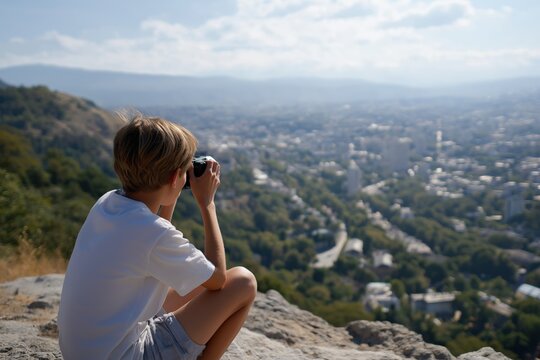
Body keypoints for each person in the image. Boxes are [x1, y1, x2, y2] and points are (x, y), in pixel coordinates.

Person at [58, 114, 257, 360]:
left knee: (189, 280)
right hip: (125, 355)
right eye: (184, 171)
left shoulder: (107, 203)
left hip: (87, 352)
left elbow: (151, 236)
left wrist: (171, 191)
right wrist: (207, 204)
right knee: (243, 282)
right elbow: (217, 279)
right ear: (175, 178)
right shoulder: (154, 234)